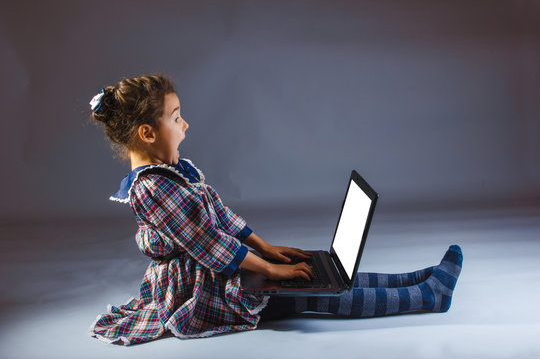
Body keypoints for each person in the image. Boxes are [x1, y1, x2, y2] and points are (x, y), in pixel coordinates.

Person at [87, 74, 463, 345]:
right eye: (175, 117)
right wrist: (268, 269)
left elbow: (219, 216)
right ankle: (427, 296)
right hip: (208, 289)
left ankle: (418, 278)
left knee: (321, 274)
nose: (185, 124)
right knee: (319, 294)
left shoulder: (172, 171)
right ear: (148, 134)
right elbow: (208, 243)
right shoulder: (152, 188)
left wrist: (267, 248)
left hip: (224, 271)